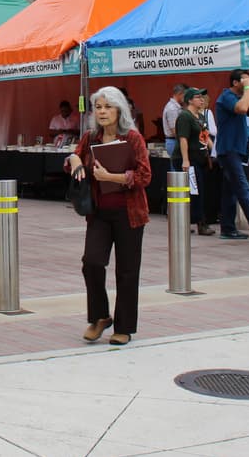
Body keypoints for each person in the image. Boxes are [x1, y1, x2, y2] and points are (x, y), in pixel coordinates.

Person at [63, 86, 151, 346]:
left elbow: (145, 176)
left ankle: (124, 327)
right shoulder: (91, 137)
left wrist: (111, 177)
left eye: (107, 107)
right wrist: (74, 161)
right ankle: (100, 316)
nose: (102, 112)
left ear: (119, 109)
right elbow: (72, 159)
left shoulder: (133, 138)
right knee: (91, 262)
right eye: (98, 107)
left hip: (129, 214)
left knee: (127, 271)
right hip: (99, 213)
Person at [214, 70, 249, 241]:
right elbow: (243, 109)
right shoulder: (227, 96)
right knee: (243, 188)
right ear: (236, 83)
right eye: (244, 81)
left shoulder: (235, 98)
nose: (248, 85)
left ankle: (227, 228)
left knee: (231, 190)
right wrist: (248, 87)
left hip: (236, 149)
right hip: (229, 150)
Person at [174, 88, 214, 236]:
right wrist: (185, 160)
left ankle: (197, 221)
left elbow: (205, 136)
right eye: (198, 97)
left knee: (199, 191)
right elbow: (183, 138)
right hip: (188, 159)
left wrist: (213, 150)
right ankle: (198, 223)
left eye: (202, 97)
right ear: (190, 100)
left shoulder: (201, 117)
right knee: (192, 191)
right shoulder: (185, 116)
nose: (201, 100)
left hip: (200, 158)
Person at [162, 84, 187, 157]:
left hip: (176, 141)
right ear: (179, 94)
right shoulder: (172, 109)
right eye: (184, 95)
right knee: (177, 166)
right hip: (174, 141)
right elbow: (175, 130)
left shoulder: (178, 107)